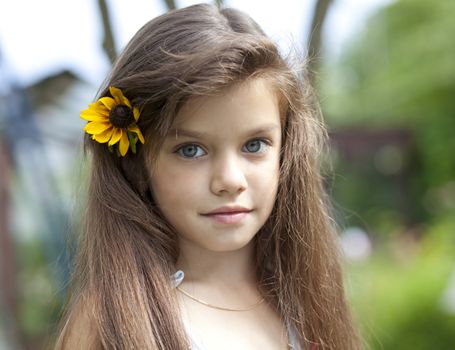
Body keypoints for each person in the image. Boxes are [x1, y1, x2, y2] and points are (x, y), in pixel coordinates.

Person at [54, 3, 361, 349]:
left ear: (285, 151)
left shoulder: (308, 302)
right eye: (191, 150)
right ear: (137, 162)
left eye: (255, 145)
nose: (230, 180)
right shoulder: (110, 323)